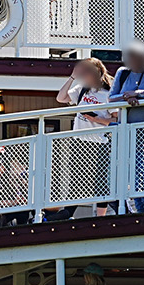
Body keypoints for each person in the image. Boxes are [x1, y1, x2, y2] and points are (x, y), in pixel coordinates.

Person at [52, 58, 116, 217]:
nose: (84, 76)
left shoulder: (108, 94)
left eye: (86, 72)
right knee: (77, 178)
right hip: (79, 141)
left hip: (98, 142)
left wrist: (96, 120)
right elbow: (61, 98)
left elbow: (117, 119)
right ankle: (68, 212)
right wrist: (72, 77)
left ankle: (100, 217)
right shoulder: (82, 89)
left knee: (99, 181)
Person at [110, 45, 144, 212]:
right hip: (125, 127)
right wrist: (127, 97)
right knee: (128, 166)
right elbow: (112, 98)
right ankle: (135, 205)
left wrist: (139, 94)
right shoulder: (122, 72)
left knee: (142, 165)